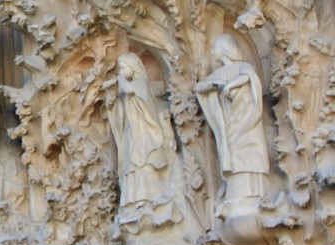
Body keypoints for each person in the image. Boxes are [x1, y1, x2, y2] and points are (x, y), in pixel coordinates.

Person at [194, 35, 269, 204]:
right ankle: (237, 195)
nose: (212, 52)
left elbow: (249, 77)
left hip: (246, 118)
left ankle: (255, 195)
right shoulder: (217, 74)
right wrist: (214, 85)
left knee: (250, 153)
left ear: (225, 50)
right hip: (229, 122)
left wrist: (230, 85)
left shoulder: (243, 66)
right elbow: (200, 87)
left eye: (215, 48)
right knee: (233, 155)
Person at [105, 53, 177, 226]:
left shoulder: (141, 84)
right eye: (120, 68)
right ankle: (133, 205)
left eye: (124, 68)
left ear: (134, 67)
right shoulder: (126, 87)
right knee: (132, 168)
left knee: (144, 165)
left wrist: (120, 81)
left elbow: (130, 91)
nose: (121, 72)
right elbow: (116, 110)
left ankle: (149, 201)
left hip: (145, 134)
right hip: (132, 133)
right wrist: (111, 96)